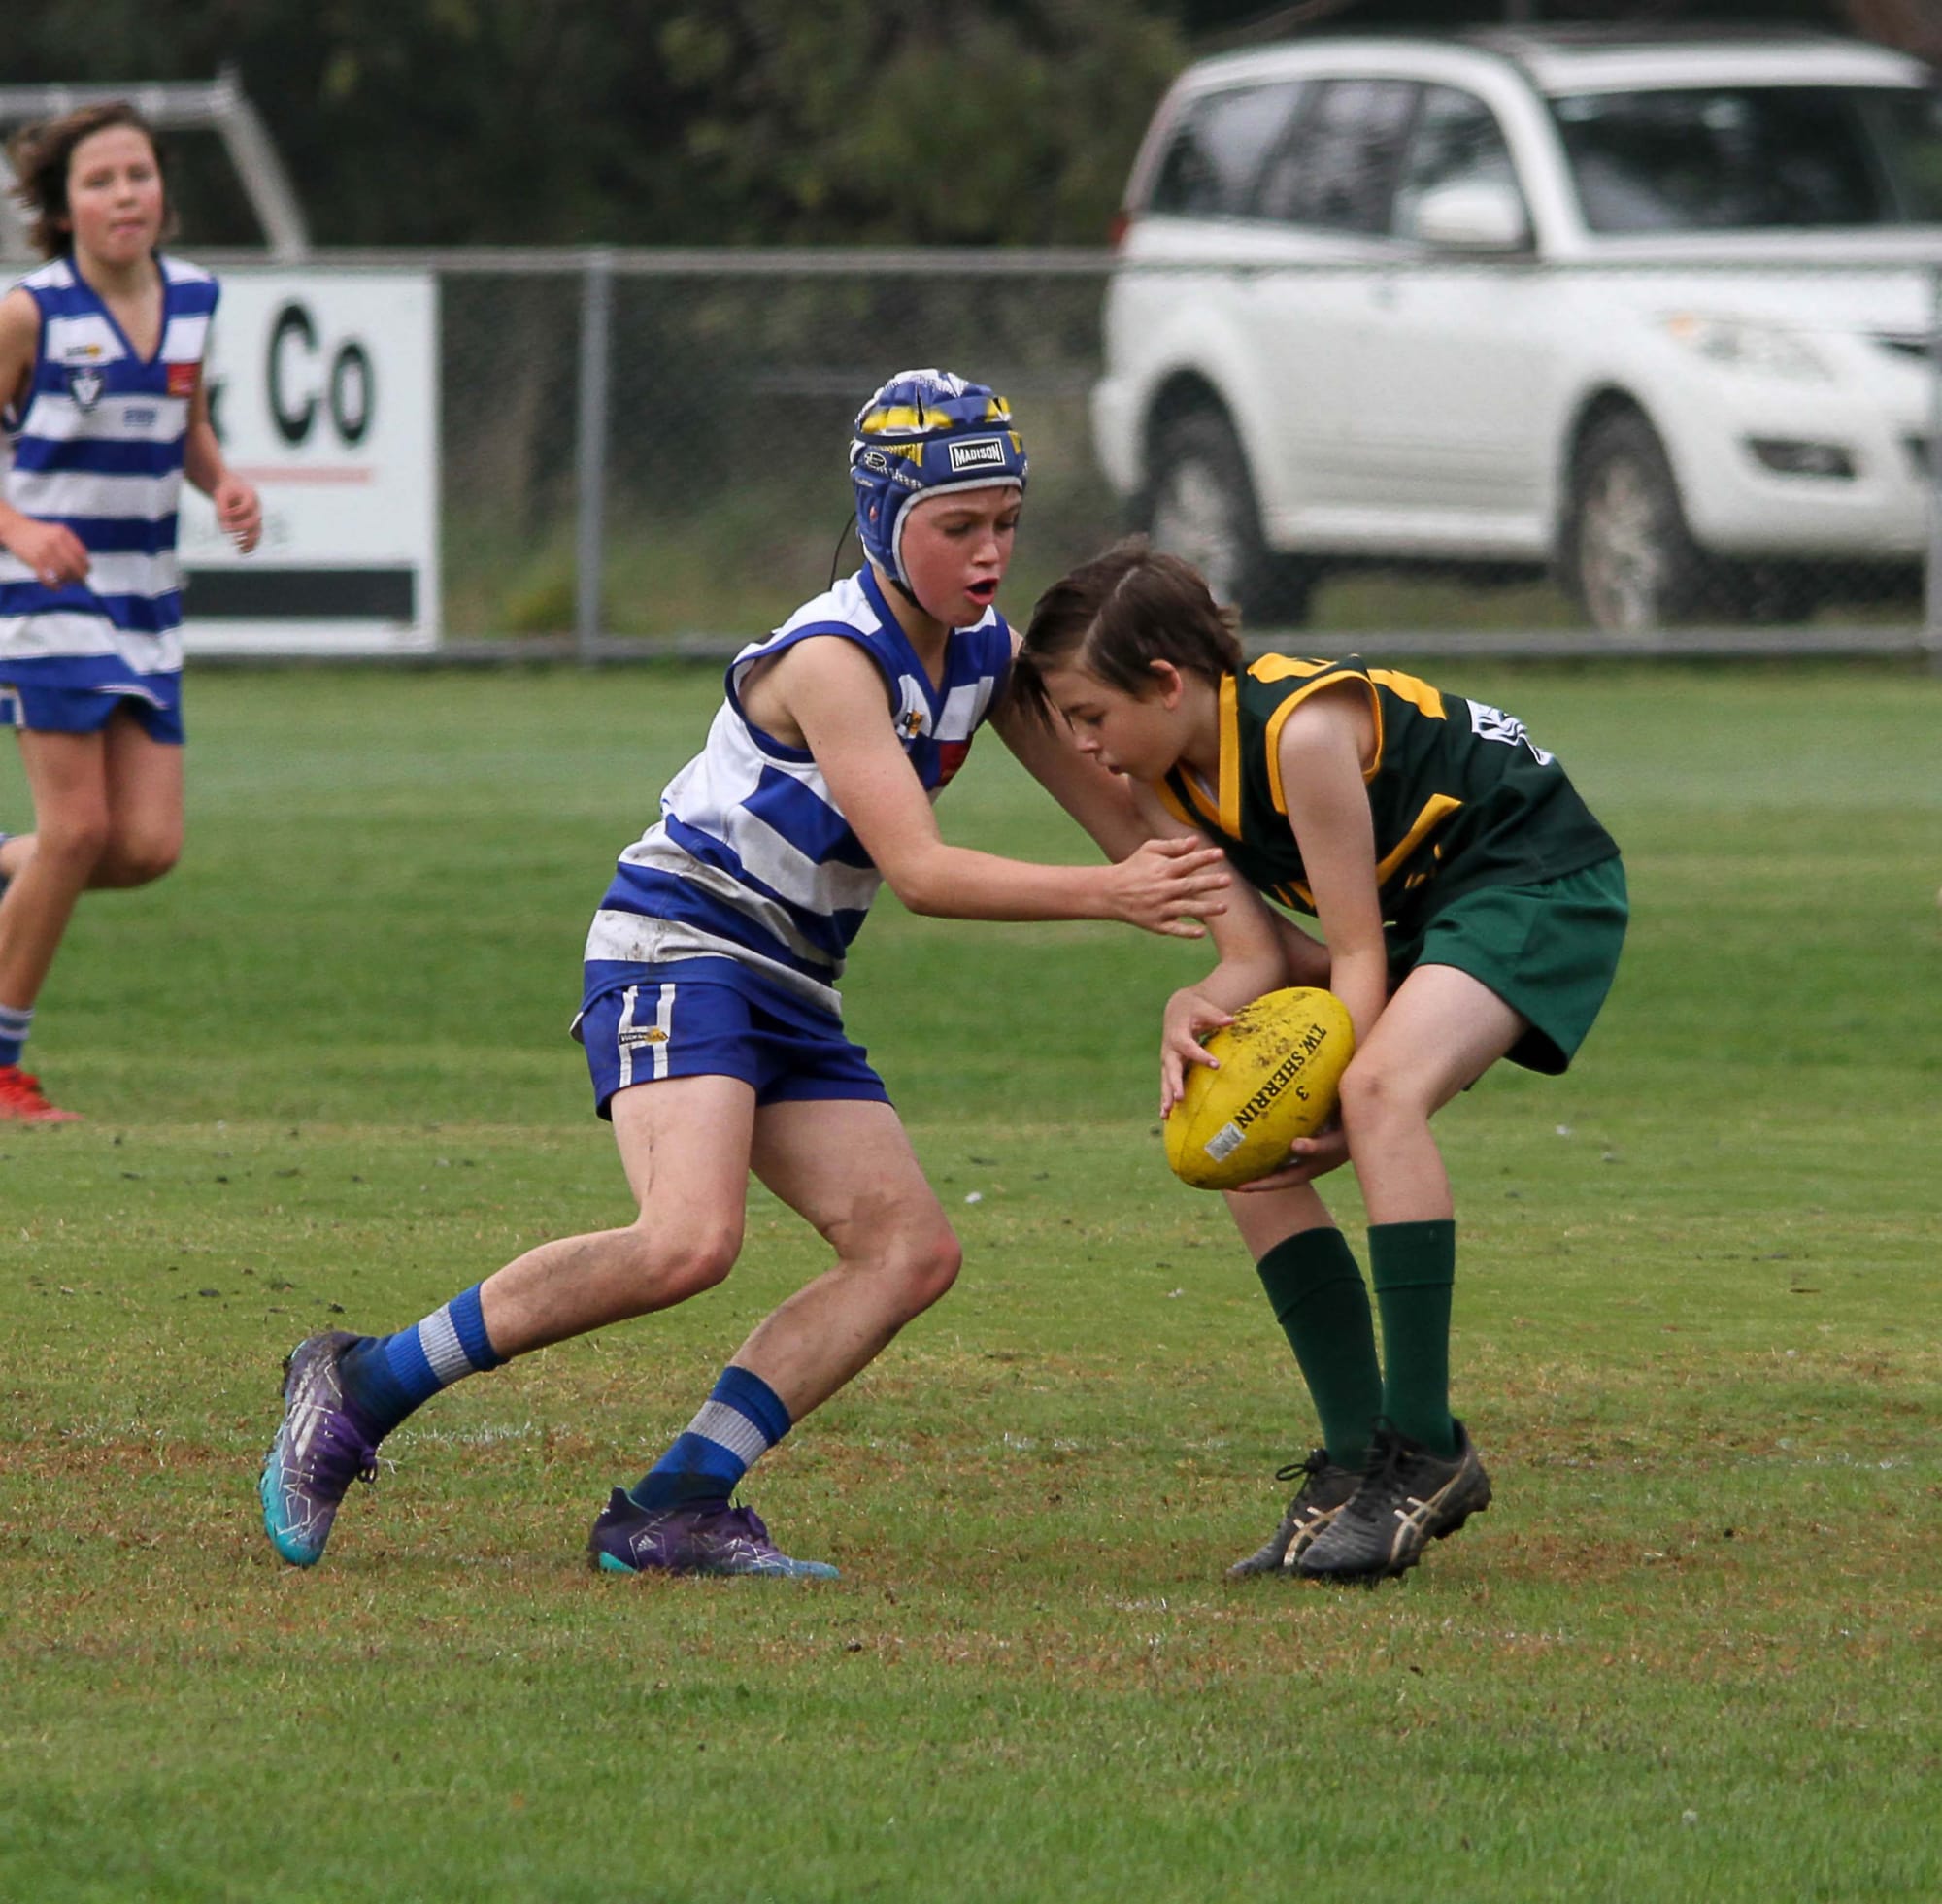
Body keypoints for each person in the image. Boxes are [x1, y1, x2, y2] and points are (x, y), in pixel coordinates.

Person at [259, 371, 1230, 1578]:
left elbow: (1132, 828)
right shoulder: (833, 658)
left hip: (789, 981)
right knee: (685, 1240)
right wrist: (1112, 899)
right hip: (680, 944)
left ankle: (674, 1504)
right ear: (883, 519)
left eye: (1005, 523)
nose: (990, 554)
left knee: (909, 1251)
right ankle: (357, 1384)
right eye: (957, 526)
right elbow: (921, 871)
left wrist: (1299, 945)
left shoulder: (988, 656)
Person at [1013, 540, 1626, 1585]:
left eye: (1089, 716)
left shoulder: (1299, 734)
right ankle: (1353, 1461)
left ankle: (1426, 1447)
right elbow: (1254, 954)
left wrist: (1343, 1111)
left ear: (1165, 683)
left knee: (1379, 1093)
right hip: (1427, 914)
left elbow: (1352, 954)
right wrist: (1191, 1004)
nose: (1083, 745)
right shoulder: (1171, 772)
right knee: (1234, 1138)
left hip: (1534, 883)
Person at [0, 102, 261, 1122]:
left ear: (163, 189)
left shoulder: (193, 297)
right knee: (75, 830)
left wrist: (223, 481)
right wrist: (19, 531)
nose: (124, 196)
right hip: (46, 595)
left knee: (145, 846)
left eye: (138, 176)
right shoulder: (31, 312)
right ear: (62, 208)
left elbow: (185, 422)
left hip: (145, 599)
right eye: (99, 180)